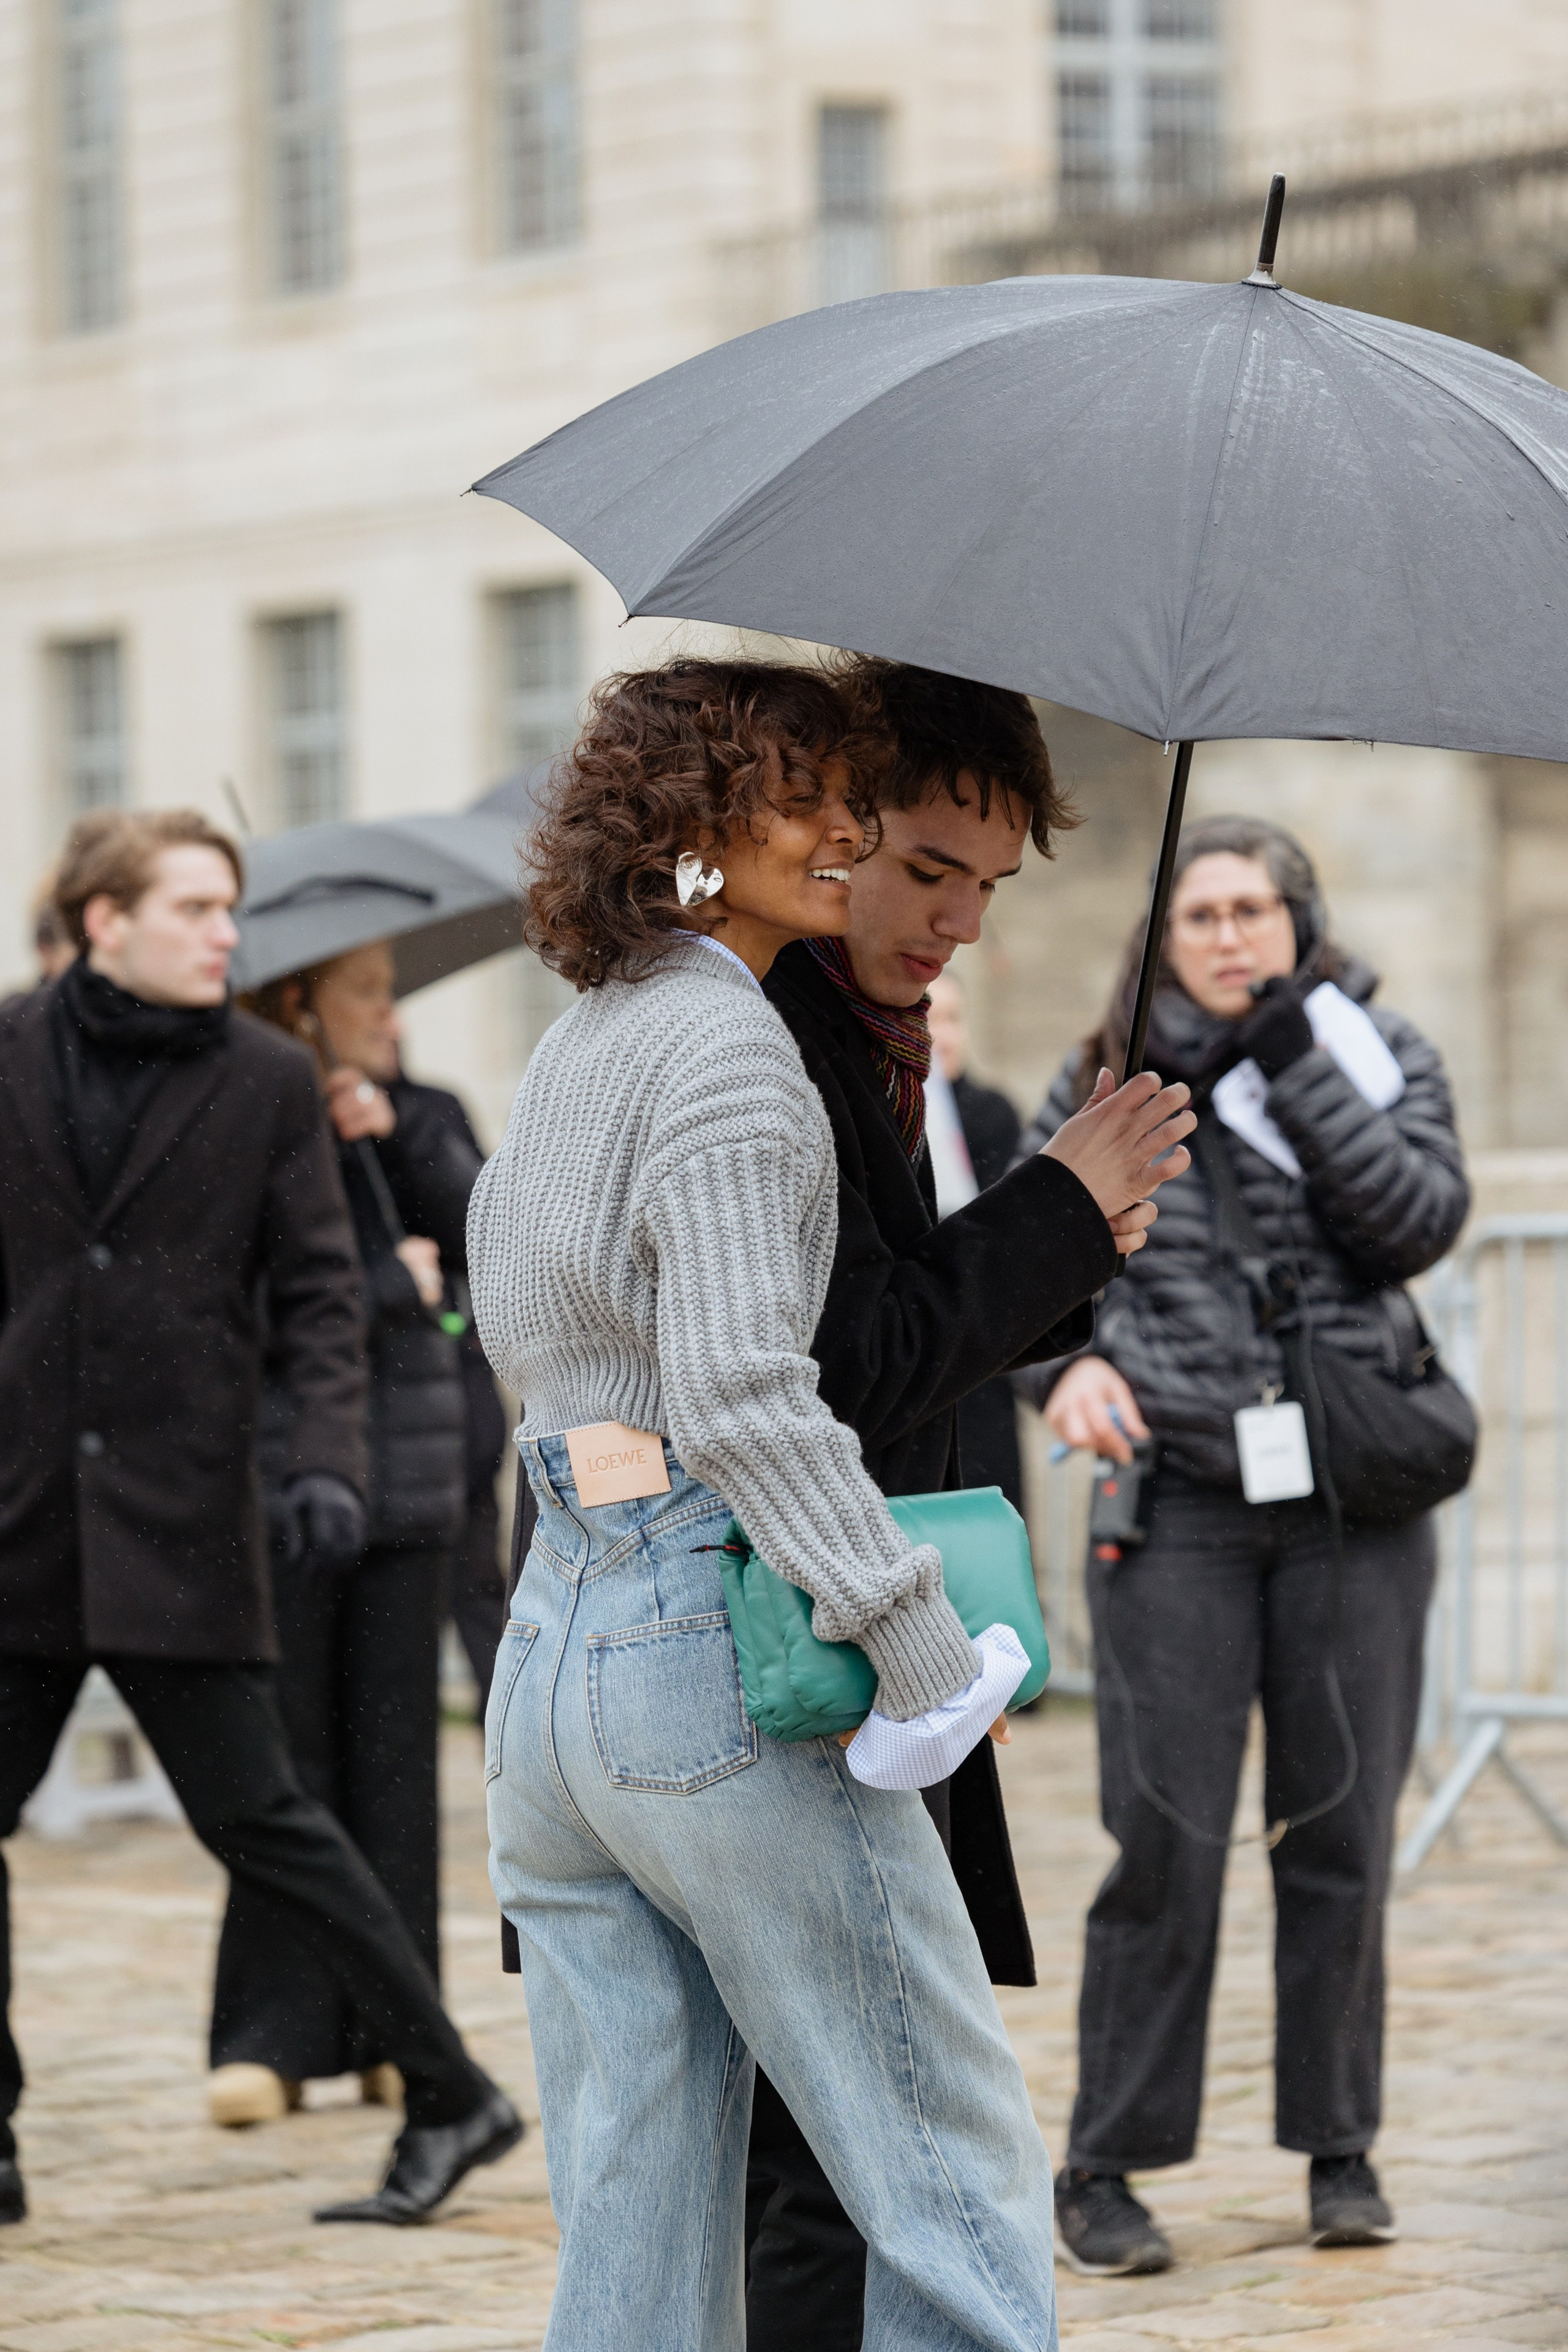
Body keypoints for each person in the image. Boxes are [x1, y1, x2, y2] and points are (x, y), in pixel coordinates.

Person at [470, 657, 1182, 2351]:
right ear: (706, 824)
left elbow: (529, 1328)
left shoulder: (595, 1030)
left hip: (557, 1653)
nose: (849, 834)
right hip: (702, 1642)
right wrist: (927, 1649)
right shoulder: (727, 1043)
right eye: (819, 805)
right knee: (953, 2174)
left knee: (638, 2221)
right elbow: (749, 1392)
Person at [748, 657, 1194, 2350]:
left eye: (990, 887)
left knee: (853, 2144)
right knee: (824, 2154)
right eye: (931, 871)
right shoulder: (768, 1033)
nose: (961, 925)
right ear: (828, 832)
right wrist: (1059, 1212)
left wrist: (1070, 1233)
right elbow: (849, 1359)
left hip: (867, 1639)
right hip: (786, 1649)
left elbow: (915, 1312)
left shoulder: (871, 1033)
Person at [0, 809, 519, 2230]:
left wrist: (327, 1464)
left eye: (230, 907)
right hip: (26, 1516)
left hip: (182, 1517)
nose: (224, 931)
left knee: (270, 1821)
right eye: (192, 907)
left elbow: (319, 1298)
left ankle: (449, 2088)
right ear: (104, 920)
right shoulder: (8, 1049)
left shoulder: (266, 1078)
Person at [1019, 815, 1469, 2275]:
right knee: (1163, 1836)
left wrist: (1285, 1056)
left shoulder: (1374, 1049)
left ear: (1296, 921)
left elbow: (1411, 1219)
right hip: (1180, 1502)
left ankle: (1336, 2144)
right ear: (1163, 933)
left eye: (1251, 911)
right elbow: (1018, 1265)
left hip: (1352, 1498)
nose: (1225, 936)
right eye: (1199, 913)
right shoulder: (1102, 1078)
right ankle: (1105, 2159)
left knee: (1337, 1832)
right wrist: (1057, 1371)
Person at [208, 940, 485, 2125]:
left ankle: (394, 2032)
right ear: (299, 1006)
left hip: (411, 1481)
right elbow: (237, 1296)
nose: (390, 1012)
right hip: (289, 1483)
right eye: (365, 993)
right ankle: (268, 2037)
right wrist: (380, 1280)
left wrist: (390, 1143)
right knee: (288, 1765)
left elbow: (482, 1247)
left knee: (392, 1771)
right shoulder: (246, 1117)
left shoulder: (422, 1114)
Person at [926, 967, 1027, 1513]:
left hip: (981, 1372)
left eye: (952, 1020)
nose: (941, 1035)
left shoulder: (992, 1114)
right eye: (926, 1017)